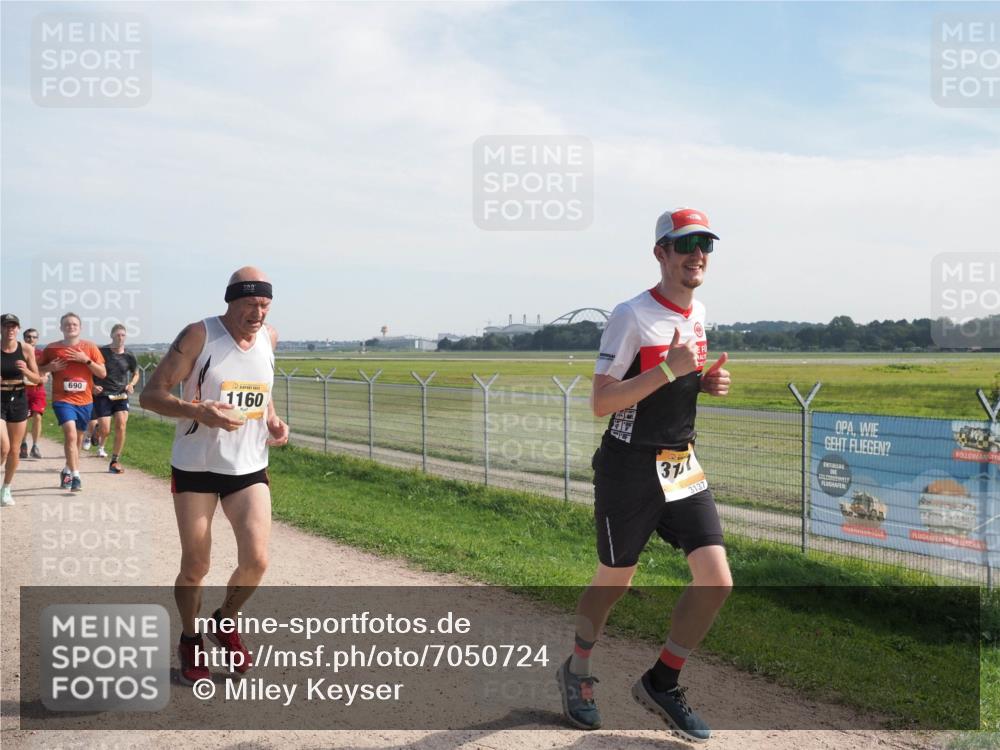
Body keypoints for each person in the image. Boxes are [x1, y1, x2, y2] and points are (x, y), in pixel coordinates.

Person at [556, 207, 733, 743]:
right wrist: (666, 371)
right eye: (685, 245)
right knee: (616, 580)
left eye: (704, 244)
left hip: (678, 461)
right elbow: (601, 401)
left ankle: (662, 680)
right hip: (629, 467)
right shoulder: (630, 315)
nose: (696, 254)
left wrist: (701, 385)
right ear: (661, 253)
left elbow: (677, 380)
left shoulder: (699, 311)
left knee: (717, 581)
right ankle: (578, 671)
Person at [139, 267, 288, 686]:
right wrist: (197, 411)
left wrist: (274, 421)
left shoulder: (269, 338)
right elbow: (150, 394)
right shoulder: (199, 335)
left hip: (248, 467)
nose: (258, 314)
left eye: (264, 305)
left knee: (257, 560)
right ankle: (190, 638)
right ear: (231, 301)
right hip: (196, 468)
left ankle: (225, 621)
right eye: (250, 305)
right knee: (195, 566)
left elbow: (262, 390)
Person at [36, 312, 106, 492]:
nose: (71, 326)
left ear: (80, 328)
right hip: (63, 399)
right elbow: (36, 367)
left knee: (78, 441)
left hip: (85, 401)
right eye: (67, 324)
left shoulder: (90, 347)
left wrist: (86, 360)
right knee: (71, 435)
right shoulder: (52, 349)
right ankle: (76, 476)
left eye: (74, 324)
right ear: (61, 328)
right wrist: (48, 368)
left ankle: (67, 469)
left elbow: (102, 373)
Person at [86, 324, 139, 473]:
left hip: (121, 394)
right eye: (117, 335)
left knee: (121, 426)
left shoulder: (129, 355)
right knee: (106, 429)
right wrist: (92, 386)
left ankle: (114, 461)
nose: (120, 338)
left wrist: (131, 384)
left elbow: (136, 373)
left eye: (123, 335)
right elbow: (88, 371)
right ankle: (97, 430)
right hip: (103, 394)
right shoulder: (102, 352)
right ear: (111, 335)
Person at [1, 314, 42, 506]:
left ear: (18, 329)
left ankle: (6, 489)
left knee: (15, 449)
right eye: (6, 326)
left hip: (18, 399)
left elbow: (38, 379)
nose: (10, 330)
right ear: (1, 328)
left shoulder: (26, 349)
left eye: (13, 326)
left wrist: (25, 371)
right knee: (4, 447)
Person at [20, 328, 48, 459]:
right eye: (28, 337)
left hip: (38, 389)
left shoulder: (41, 354)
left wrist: (45, 376)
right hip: (22, 389)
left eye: (34, 337)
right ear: (24, 338)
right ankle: (23, 444)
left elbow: (47, 369)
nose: (31, 339)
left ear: (37, 339)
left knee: (38, 416)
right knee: (23, 419)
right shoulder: (19, 352)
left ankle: (35, 446)